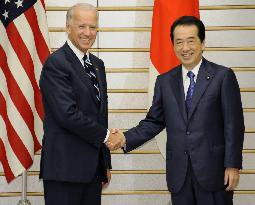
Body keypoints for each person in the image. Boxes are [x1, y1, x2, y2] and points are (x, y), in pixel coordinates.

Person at [107, 16, 244, 205]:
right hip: (179, 175)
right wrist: (125, 138)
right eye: (179, 42)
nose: (185, 48)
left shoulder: (223, 76)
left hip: (214, 173)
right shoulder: (165, 81)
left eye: (191, 41)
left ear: (202, 43)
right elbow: (154, 121)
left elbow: (233, 125)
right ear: (173, 46)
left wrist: (233, 165)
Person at [39, 3, 123, 205]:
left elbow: (100, 116)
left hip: (93, 171)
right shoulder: (56, 64)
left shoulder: (97, 64)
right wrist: (106, 137)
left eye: (93, 27)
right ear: (68, 27)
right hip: (64, 172)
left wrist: (105, 165)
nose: (88, 33)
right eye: (81, 26)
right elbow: (67, 114)